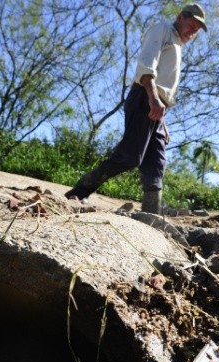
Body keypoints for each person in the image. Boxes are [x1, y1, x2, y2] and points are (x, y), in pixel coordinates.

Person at [65, 4, 207, 214]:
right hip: (145, 96)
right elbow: (147, 64)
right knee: (130, 156)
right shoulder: (163, 29)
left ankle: (151, 212)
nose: (193, 31)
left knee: (156, 163)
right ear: (180, 17)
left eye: (197, 30)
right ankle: (79, 191)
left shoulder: (177, 45)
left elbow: (165, 88)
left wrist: (162, 122)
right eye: (192, 25)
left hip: (157, 107)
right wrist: (152, 98)